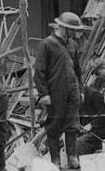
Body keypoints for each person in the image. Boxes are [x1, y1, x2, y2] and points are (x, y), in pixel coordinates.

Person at [34, 12, 84, 169]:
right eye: (72, 30)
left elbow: (78, 70)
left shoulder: (73, 45)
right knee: (54, 125)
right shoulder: (46, 44)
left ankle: (72, 157)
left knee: (73, 125)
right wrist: (44, 94)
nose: (74, 33)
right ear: (62, 27)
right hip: (55, 92)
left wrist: (80, 90)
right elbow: (39, 71)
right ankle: (55, 159)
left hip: (73, 90)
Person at [77, 85, 105, 155]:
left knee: (79, 143)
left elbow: (103, 116)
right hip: (86, 131)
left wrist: (91, 125)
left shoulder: (95, 95)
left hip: (98, 131)